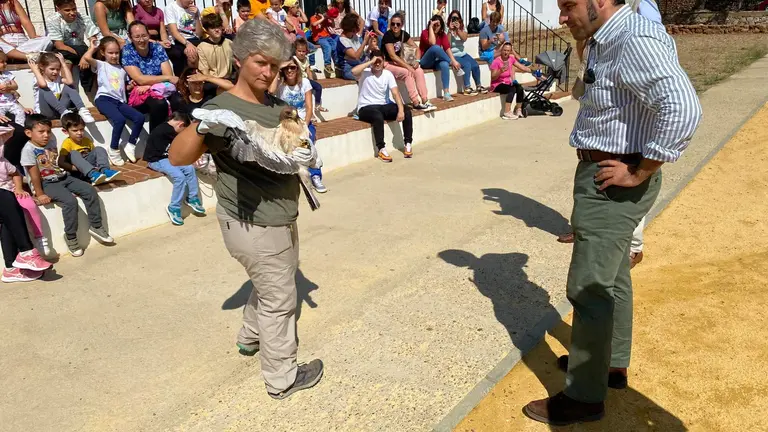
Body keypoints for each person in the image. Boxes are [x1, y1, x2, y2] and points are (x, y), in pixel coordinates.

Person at [522, 0, 703, 425]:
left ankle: (584, 397)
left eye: (568, 6)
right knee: (614, 277)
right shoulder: (609, 38)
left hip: (612, 180)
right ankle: (612, 364)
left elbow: (683, 108)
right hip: (605, 173)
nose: (561, 18)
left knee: (589, 290)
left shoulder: (631, 38)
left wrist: (641, 169)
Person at [168, 18, 324, 400]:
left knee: (271, 285)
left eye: (274, 64)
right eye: (260, 62)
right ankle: (281, 379)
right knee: (280, 301)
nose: (268, 71)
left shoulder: (276, 105)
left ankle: (250, 338)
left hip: (279, 218)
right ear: (240, 59)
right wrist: (204, 126)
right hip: (253, 224)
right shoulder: (222, 109)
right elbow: (177, 156)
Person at [21, 115, 115, 258]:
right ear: (29, 133)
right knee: (70, 202)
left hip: (63, 177)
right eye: (41, 132)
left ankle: (96, 226)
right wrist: (39, 193)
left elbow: (53, 162)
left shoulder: (51, 140)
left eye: (48, 131)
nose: (46, 135)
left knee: (89, 190)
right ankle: (71, 237)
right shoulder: (28, 150)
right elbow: (34, 175)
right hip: (46, 183)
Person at [84, 36, 145, 166]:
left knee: (139, 117)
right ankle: (113, 149)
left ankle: (131, 145)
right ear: (103, 53)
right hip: (104, 99)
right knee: (119, 120)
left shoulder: (123, 69)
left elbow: (122, 87)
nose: (114, 56)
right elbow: (88, 58)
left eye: (116, 52)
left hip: (119, 101)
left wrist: (130, 86)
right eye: (110, 53)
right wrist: (92, 48)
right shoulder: (102, 65)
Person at [273, 58, 327, 193]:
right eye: (287, 68)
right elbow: (270, 90)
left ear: (297, 68)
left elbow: (309, 107)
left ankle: (315, 176)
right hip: (286, 123)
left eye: (293, 67)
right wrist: (279, 69)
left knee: (309, 142)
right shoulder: (280, 85)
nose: (290, 70)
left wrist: (306, 126)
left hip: (303, 121)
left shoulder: (305, 83)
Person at [145, 111, 205, 225]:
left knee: (189, 168)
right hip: (156, 160)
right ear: (180, 125)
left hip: (167, 158)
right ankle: (174, 207)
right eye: (183, 130)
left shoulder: (169, 129)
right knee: (179, 177)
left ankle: (192, 198)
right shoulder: (167, 130)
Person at [121, 21, 184, 130]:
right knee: (159, 104)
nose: (141, 40)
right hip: (141, 93)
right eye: (137, 37)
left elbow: (167, 73)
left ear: (148, 35)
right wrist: (166, 78)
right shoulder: (127, 51)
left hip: (161, 88)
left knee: (179, 100)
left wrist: (150, 83)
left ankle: (177, 135)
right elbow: (140, 79)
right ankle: (156, 139)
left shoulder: (157, 48)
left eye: (144, 35)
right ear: (130, 37)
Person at [0, 155, 52, 283]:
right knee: (6, 199)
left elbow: (15, 173)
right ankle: (26, 251)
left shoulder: (3, 161)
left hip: (6, 196)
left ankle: (11, 268)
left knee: (6, 218)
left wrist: (18, 188)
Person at [355, 50, 413, 163]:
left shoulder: (388, 74)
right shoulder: (364, 73)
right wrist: (370, 61)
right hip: (366, 107)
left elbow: (395, 93)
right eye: (375, 61)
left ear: (384, 61)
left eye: (379, 61)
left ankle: (408, 144)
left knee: (406, 110)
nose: (377, 64)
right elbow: (354, 71)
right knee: (377, 116)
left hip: (384, 105)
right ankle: (381, 148)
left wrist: (400, 110)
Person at [381, 12, 434, 111]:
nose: (395, 26)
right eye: (393, 24)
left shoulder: (404, 34)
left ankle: (425, 100)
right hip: (388, 64)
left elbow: (417, 48)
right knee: (408, 72)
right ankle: (415, 102)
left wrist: (417, 61)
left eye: (398, 24)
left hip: (400, 63)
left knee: (419, 70)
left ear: (402, 25)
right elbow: (392, 56)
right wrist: (407, 66)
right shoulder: (388, 36)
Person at [49, 0, 101, 94]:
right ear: (58, 9)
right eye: (67, 10)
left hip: (80, 47)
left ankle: (91, 90)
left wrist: (86, 57)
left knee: (96, 56)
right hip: (64, 49)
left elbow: (94, 40)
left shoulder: (83, 18)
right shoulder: (53, 20)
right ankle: (69, 95)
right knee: (66, 60)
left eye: (74, 9)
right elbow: (59, 45)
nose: (72, 13)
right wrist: (82, 56)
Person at [29, 52, 95, 123]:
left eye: (57, 69)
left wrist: (63, 64)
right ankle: (64, 111)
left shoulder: (57, 78)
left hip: (59, 112)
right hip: (45, 113)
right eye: (52, 69)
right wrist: (35, 70)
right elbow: (43, 85)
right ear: (42, 67)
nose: (55, 72)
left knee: (69, 86)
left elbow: (70, 81)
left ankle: (82, 110)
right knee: (44, 89)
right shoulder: (38, 79)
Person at [57, 112, 121, 185]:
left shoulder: (87, 141)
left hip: (91, 169)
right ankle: (92, 175)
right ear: (65, 131)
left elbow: (94, 156)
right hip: (78, 172)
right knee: (73, 153)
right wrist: (78, 168)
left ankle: (105, 171)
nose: (79, 133)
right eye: (75, 130)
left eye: (81, 129)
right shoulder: (67, 143)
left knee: (99, 149)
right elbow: (60, 162)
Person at [419, 15, 462, 102]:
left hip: (436, 61)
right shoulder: (425, 32)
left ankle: (446, 93)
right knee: (436, 48)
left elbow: (447, 48)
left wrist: (454, 60)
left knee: (444, 64)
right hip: (425, 61)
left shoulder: (442, 35)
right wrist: (431, 27)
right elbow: (433, 42)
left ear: (441, 26)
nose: (436, 27)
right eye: (434, 25)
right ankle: (450, 62)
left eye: (437, 25)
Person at [491, 42, 534, 120]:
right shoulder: (496, 61)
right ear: (501, 50)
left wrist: (532, 71)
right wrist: (500, 71)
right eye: (504, 50)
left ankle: (518, 110)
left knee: (519, 88)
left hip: (507, 83)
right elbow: (493, 77)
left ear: (510, 51)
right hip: (497, 85)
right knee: (512, 88)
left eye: (508, 51)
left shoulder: (511, 59)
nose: (506, 52)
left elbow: (521, 67)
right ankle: (507, 112)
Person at [447, 10, 486, 95]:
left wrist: (458, 29)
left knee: (475, 65)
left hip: (462, 53)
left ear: (460, 19)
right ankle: (467, 88)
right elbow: (447, 45)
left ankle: (478, 86)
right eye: (453, 18)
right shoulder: (447, 29)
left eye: (456, 18)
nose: (454, 20)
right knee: (467, 64)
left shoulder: (462, 28)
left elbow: (464, 39)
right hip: (452, 55)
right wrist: (450, 30)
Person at [196, 13, 234, 97]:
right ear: (207, 30)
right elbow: (205, 72)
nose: (217, 30)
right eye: (212, 27)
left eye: (218, 26)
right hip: (212, 82)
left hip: (229, 80)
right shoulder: (202, 47)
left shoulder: (229, 43)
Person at [165, 0, 204, 76]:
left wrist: (196, 17)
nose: (192, 1)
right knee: (191, 53)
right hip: (179, 40)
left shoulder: (194, 9)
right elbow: (174, 32)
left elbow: (199, 34)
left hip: (194, 38)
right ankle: (186, 79)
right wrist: (187, 43)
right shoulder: (170, 8)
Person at [293, 38, 326, 115]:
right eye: (299, 51)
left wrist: (311, 80)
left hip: (305, 80)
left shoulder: (306, 59)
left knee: (318, 87)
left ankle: (317, 105)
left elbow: (308, 71)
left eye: (303, 51)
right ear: (295, 51)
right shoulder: (294, 59)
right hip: (297, 80)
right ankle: (309, 114)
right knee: (305, 95)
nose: (301, 53)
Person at [336, 13, 372, 81]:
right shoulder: (342, 40)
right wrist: (364, 41)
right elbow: (355, 56)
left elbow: (361, 53)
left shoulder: (354, 36)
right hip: (349, 69)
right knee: (367, 78)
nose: (359, 25)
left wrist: (370, 44)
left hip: (360, 64)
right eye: (357, 24)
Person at [310, 5, 337, 77]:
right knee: (327, 47)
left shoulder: (325, 19)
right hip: (319, 38)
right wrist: (322, 18)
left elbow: (333, 26)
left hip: (328, 36)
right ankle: (327, 64)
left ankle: (336, 63)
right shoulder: (313, 18)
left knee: (334, 46)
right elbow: (314, 24)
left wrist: (331, 19)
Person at [0, 51, 24, 126]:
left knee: (21, 112)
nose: (5, 64)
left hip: (11, 102)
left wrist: (9, 87)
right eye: (2, 62)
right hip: (0, 104)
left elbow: (16, 86)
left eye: (6, 62)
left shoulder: (7, 74)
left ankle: (19, 127)